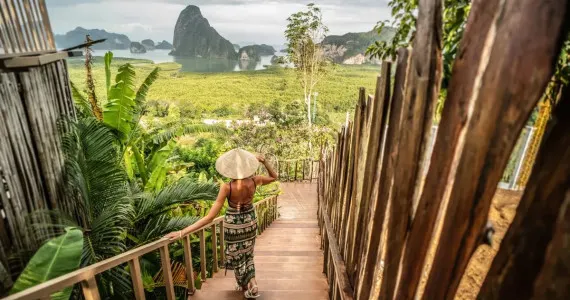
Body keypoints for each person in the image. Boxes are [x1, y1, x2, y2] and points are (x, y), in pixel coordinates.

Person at [165, 148, 277, 299]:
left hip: (233, 226)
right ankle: (252, 283)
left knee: (237, 255)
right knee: (248, 254)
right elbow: (274, 177)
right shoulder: (255, 180)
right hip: (250, 222)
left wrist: (181, 232)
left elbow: (210, 217)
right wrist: (264, 161)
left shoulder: (227, 187)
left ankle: (247, 284)